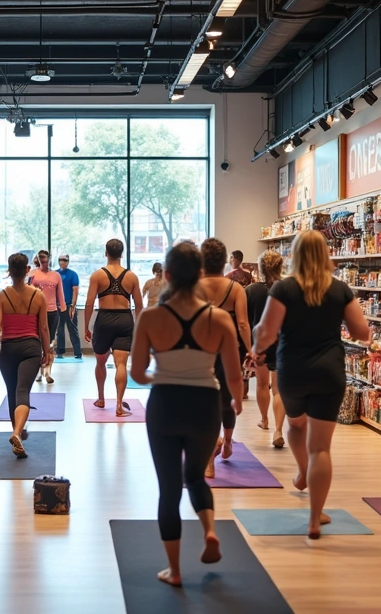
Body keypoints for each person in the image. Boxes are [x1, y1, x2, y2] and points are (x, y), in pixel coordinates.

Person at [131, 241, 242, 587]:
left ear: (165, 275)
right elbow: (234, 375)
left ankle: (175, 571)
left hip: (165, 403)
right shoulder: (219, 318)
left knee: (168, 488)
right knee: (195, 476)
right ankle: (209, 531)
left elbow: (136, 373)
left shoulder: (151, 317)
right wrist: (236, 401)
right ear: (200, 274)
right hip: (206, 404)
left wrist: (160, 377)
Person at [251, 230, 369, 539]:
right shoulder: (340, 290)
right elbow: (361, 331)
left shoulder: (284, 289)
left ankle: (302, 471)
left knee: (296, 426)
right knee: (322, 449)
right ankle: (315, 519)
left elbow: (266, 332)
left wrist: (256, 348)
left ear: (296, 254)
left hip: (292, 372)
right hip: (329, 372)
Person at [198, 239, 252, 475]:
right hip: (230, 350)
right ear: (224, 261)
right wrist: (251, 349)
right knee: (227, 399)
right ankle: (227, 443)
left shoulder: (194, 287)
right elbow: (242, 323)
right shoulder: (235, 288)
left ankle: (209, 456)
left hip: (201, 350)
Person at [0, 253, 50, 458]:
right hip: (30, 348)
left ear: (8, 271)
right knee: (23, 391)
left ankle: (17, 434)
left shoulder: (1, 296)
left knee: (12, 392)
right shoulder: (38, 295)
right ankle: (17, 433)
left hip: (8, 350)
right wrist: (47, 351)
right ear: (27, 270)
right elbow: (43, 327)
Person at [84, 239, 143, 417]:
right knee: (121, 364)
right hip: (124, 320)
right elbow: (139, 305)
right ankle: (118, 405)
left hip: (104, 320)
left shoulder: (97, 275)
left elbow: (89, 303)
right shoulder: (131, 276)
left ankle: (101, 398)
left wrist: (86, 326)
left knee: (100, 362)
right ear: (122, 253)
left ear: (106, 253)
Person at [247, 251, 286, 448]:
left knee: (262, 385)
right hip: (281, 342)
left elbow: (245, 319)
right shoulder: (287, 289)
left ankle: (265, 420)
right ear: (280, 267)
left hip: (260, 343)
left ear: (260, 268)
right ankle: (279, 430)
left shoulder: (252, 290)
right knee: (278, 389)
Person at [29, 250, 66, 384]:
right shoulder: (33, 275)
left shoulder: (56, 275)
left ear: (49, 259)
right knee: (37, 342)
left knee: (50, 344)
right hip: (36, 312)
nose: (43, 260)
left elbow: (60, 294)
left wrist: (64, 308)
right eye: (41, 258)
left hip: (52, 312)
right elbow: (27, 292)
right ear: (38, 259)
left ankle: (48, 372)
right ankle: (39, 372)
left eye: (45, 258)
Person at [55, 254, 82, 359]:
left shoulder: (73, 274)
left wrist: (73, 306)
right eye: (61, 260)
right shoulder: (55, 274)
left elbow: (75, 290)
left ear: (68, 261)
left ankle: (78, 352)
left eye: (65, 260)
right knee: (59, 330)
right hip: (58, 306)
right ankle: (60, 351)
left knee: (73, 329)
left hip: (69, 305)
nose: (63, 262)